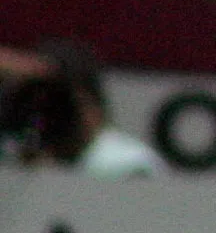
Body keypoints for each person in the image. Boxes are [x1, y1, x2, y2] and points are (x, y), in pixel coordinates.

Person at [0, 42, 165, 177]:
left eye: (56, 106)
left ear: (89, 105)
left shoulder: (125, 162)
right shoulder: (18, 159)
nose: (47, 116)